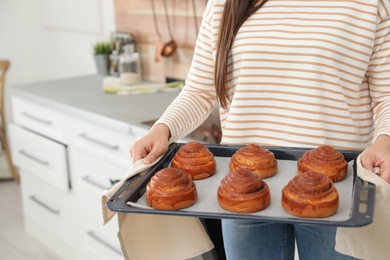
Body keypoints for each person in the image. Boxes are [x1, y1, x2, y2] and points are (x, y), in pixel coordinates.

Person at [130, 0, 390, 259]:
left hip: (337, 189)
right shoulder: (223, 4)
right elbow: (200, 91)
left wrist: (385, 139)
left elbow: (385, 96)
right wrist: (162, 129)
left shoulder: (370, 5)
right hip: (242, 189)